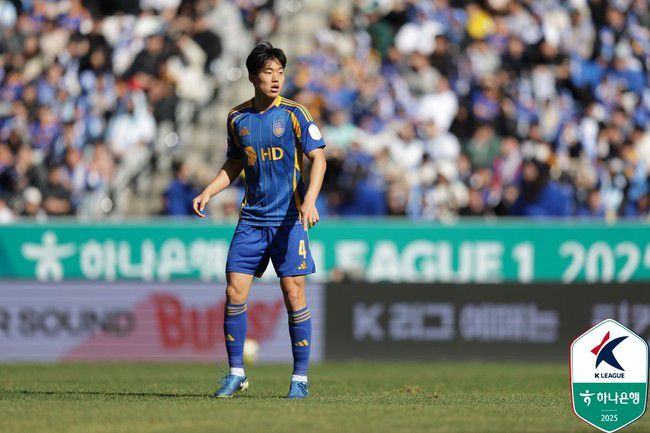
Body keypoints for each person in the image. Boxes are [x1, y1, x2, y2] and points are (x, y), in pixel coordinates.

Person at [192, 42, 327, 399]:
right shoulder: (237, 118)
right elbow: (235, 163)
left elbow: (319, 159)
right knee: (233, 291)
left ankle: (300, 379)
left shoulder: (296, 114)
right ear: (253, 77)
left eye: (280, 72)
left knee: (294, 293)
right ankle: (236, 373)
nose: (276, 78)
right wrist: (208, 191)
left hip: (289, 220)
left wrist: (309, 201)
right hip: (251, 219)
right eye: (268, 72)